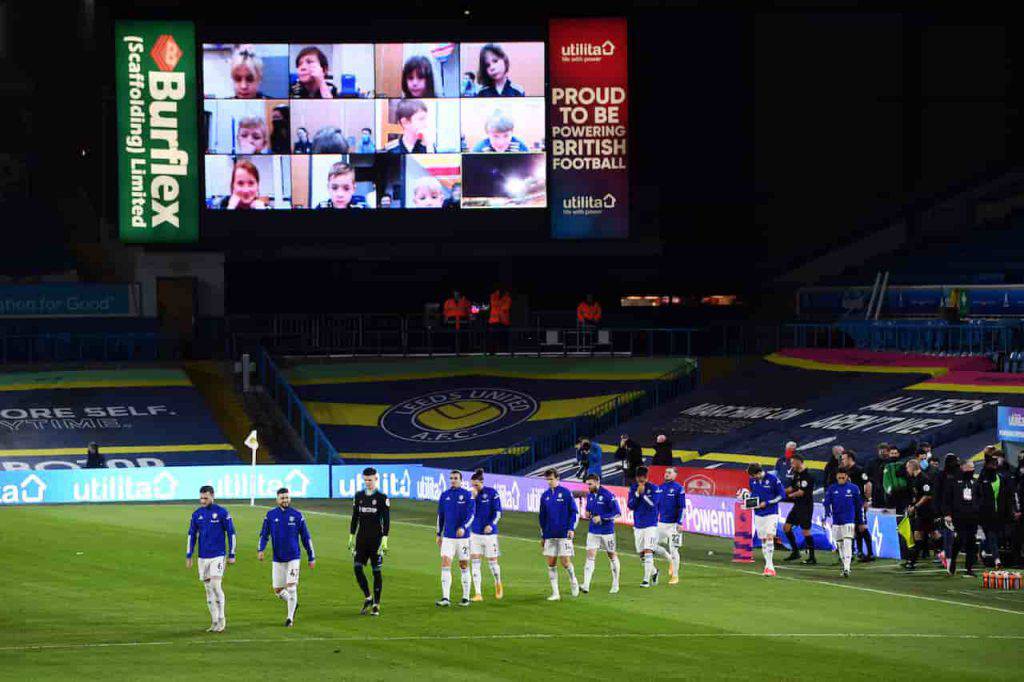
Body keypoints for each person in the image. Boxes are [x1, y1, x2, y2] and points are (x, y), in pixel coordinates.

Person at [258, 487, 315, 627]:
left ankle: (290, 618)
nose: (285, 500)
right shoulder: (270, 515)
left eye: (287, 498)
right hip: (278, 558)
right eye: (282, 498)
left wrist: (311, 556)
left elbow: (306, 537)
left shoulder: (297, 515)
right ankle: (292, 602)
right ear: (277, 499)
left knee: (291, 587)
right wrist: (261, 549)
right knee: (278, 590)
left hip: (293, 557)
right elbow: (264, 534)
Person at [185, 485, 236, 633]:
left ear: (213, 496)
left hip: (218, 555)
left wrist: (232, 554)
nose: (203, 500)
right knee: (208, 589)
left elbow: (231, 533)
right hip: (203, 557)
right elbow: (191, 535)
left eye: (206, 498)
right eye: (201, 498)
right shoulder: (197, 514)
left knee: (215, 585)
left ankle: (222, 619)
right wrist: (189, 555)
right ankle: (214, 621)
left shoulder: (222, 512)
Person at [348, 467, 389, 616]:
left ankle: (377, 604)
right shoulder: (358, 496)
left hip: (376, 540)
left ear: (376, 479)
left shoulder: (381, 497)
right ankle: (368, 597)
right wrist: (351, 536)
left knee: (376, 571)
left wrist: (384, 539)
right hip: (361, 539)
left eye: (370, 480)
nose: (368, 483)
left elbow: (387, 520)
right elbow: (354, 518)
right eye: (365, 480)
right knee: (357, 568)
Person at [538, 468, 579, 601]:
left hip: (563, 533)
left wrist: (571, 528)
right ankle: (555, 593)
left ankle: (573, 580)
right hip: (550, 534)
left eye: (551, 479)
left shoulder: (566, 493)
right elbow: (542, 517)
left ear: (557, 478)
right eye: (548, 479)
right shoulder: (545, 496)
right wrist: (543, 535)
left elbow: (574, 512)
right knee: (551, 563)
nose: (549, 482)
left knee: (565, 562)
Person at [436, 470, 474, 607]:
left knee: (463, 565)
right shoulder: (445, 495)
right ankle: (446, 598)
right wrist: (438, 534)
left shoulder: (467, 495)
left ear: (461, 480)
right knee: (445, 563)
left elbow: (471, 515)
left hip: (463, 538)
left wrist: (463, 527)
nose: (453, 480)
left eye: (455, 478)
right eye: (451, 478)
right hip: (448, 537)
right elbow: (440, 516)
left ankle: (465, 597)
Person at [581, 473, 621, 594]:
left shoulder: (608, 495)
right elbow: (590, 510)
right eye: (587, 484)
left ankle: (615, 583)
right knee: (590, 556)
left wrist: (602, 518)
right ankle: (586, 585)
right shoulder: (590, 495)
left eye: (590, 484)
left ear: (597, 482)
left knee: (612, 555)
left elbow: (617, 513)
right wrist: (587, 513)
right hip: (593, 530)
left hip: (607, 531)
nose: (588, 486)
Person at [469, 469, 504, 601]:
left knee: (493, 563)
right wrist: (472, 498)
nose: (474, 487)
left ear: (482, 482)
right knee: (475, 563)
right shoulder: (471, 495)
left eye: (476, 485)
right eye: (473, 485)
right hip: (475, 534)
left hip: (490, 535)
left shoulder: (492, 493)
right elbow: (468, 512)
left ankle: (498, 583)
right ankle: (478, 593)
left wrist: (491, 524)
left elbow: (498, 512)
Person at [746, 463, 785, 576]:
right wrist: (748, 502)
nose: (752, 478)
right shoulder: (752, 481)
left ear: (758, 473)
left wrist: (767, 503)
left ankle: (770, 566)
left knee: (769, 536)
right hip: (758, 513)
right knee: (763, 539)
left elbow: (781, 495)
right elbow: (753, 494)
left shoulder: (772, 479)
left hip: (771, 513)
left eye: (753, 476)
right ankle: (767, 566)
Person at [943, 459, 981, 577]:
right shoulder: (954, 482)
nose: (971, 470)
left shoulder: (976, 482)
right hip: (959, 516)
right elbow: (947, 500)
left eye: (972, 468)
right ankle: (952, 560)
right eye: (969, 468)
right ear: (963, 468)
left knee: (971, 542)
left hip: (973, 516)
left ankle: (969, 568)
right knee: (959, 539)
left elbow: (980, 498)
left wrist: (978, 510)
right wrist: (948, 514)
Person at [823, 469, 863, 578]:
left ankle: (847, 568)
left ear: (846, 477)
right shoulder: (832, 489)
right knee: (840, 544)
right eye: (839, 477)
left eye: (843, 477)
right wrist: (826, 514)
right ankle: (844, 565)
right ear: (836, 477)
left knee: (847, 542)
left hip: (849, 520)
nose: (841, 479)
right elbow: (826, 503)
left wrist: (862, 521)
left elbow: (859, 506)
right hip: (836, 521)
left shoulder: (854, 489)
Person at [628, 466, 662, 587]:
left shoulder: (654, 488)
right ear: (637, 478)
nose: (641, 482)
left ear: (647, 478)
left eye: (643, 480)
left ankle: (646, 580)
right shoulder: (633, 488)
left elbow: (653, 504)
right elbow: (630, 505)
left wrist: (643, 495)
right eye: (639, 480)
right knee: (641, 554)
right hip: (638, 525)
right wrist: (637, 494)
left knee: (648, 551)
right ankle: (655, 572)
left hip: (651, 525)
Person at [978, 452, 1011, 568]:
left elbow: (1006, 496)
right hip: (985, 514)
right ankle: (996, 559)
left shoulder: (1000, 479)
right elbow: (978, 496)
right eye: (991, 465)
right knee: (990, 536)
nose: (993, 467)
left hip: (998, 514)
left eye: (994, 465)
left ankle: (984, 554)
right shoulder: (982, 479)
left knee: (991, 536)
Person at [782, 454, 816, 565]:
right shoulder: (796, 474)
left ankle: (812, 557)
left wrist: (788, 496)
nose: (791, 465)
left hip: (806, 506)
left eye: (792, 462)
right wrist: (781, 491)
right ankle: (796, 552)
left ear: (798, 461)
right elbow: (792, 487)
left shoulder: (807, 476)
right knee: (786, 527)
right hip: (797, 506)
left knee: (805, 531)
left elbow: (801, 492)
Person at [902, 459, 935, 571]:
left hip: (926, 512)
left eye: (907, 468)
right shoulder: (915, 479)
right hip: (921, 512)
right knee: (932, 533)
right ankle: (944, 552)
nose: (907, 470)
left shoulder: (923, 479)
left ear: (912, 467)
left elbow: (927, 495)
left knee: (918, 535)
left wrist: (916, 506)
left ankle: (911, 561)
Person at [842, 451, 875, 562]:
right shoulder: (846, 471)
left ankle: (870, 553)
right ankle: (860, 552)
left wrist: (867, 500)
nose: (842, 461)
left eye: (844, 458)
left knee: (862, 527)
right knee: (855, 528)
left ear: (850, 458)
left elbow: (868, 484)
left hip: (859, 502)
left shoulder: (859, 470)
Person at [655, 466, 685, 583]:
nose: (666, 474)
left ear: (675, 475)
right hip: (661, 524)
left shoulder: (679, 488)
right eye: (666, 472)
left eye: (669, 472)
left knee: (674, 550)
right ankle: (669, 559)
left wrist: (680, 522)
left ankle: (675, 576)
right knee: (650, 544)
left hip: (673, 526)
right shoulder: (660, 488)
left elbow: (682, 507)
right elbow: (656, 506)